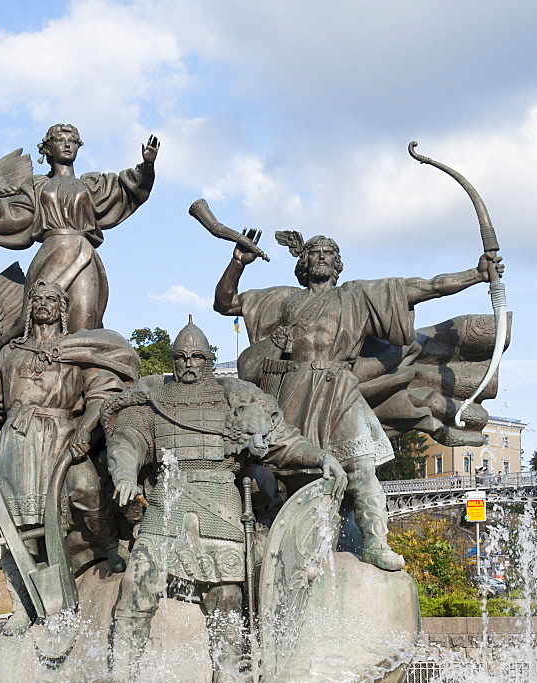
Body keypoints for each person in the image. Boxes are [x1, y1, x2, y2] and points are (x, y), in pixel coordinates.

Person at [214, 232, 504, 571]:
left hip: (339, 390)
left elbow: (426, 287)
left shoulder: (358, 297)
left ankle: (375, 543)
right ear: (302, 263)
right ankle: (274, 552)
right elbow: (225, 302)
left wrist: (477, 273)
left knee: (362, 469)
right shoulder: (283, 299)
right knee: (282, 475)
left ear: (337, 264)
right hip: (291, 389)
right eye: (314, 253)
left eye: (328, 253)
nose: (321, 257)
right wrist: (237, 262)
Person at [101, 319, 346, 683]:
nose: (188, 364)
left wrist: (320, 457)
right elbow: (127, 441)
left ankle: (228, 679)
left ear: (209, 359)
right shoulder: (152, 401)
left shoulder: (236, 397)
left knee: (228, 597)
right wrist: (127, 472)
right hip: (169, 501)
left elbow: (281, 442)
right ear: (173, 360)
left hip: (222, 505)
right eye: (181, 357)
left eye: (197, 356)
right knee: (137, 581)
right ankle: (122, 672)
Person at [0, 278, 140, 633]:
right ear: (29, 308)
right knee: (14, 526)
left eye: (52, 300)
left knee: (87, 489)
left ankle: (111, 546)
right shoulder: (10, 354)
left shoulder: (75, 351)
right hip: (18, 442)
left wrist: (85, 429)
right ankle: (21, 606)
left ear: (62, 310)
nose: (45, 304)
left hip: (62, 435)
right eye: (38, 299)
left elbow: (101, 394)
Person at [0, 124, 159, 350]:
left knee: (84, 326)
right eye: (60, 140)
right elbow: (8, 215)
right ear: (48, 148)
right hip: (50, 255)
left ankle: (85, 378)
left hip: (83, 256)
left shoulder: (92, 184)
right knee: (36, 322)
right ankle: (6, 356)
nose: (67, 145)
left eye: (73, 141)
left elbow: (129, 188)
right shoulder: (37, 186)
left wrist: (148, 165)